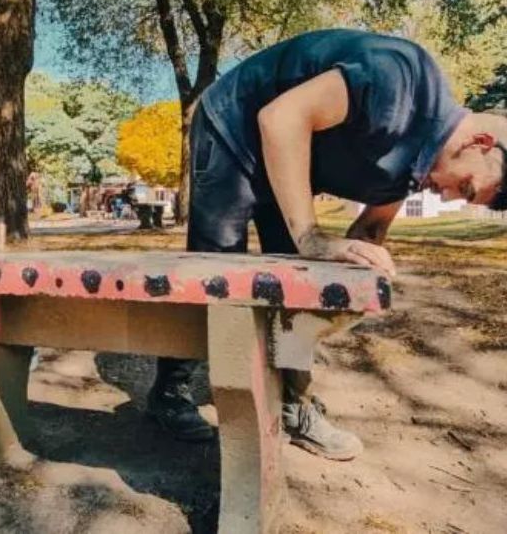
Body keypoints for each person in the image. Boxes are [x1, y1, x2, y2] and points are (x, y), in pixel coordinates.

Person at [146, 28, 507, 459]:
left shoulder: (414, 171)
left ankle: (293, 404)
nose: (446, 197)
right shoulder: (399, 78)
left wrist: (362, 272)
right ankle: (170, 390)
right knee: (217, 267)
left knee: (299, 281)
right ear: (479, 143)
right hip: (233, 127)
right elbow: (280, 119)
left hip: (286, 165)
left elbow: (368, 234)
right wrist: (311, 236)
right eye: (465, 187)